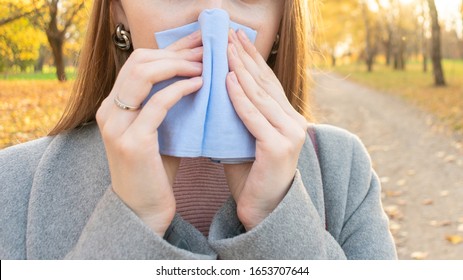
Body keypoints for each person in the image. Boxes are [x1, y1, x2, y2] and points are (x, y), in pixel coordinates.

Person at [0, 0, 397, 260]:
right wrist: (132, 220)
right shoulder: (14, 182)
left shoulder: (343, 171)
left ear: (280, 22)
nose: (212, 21)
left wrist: (276, 216)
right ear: (119, 14)